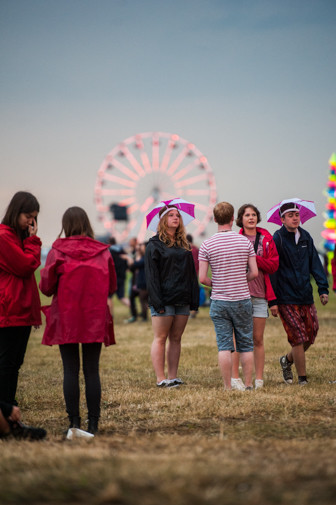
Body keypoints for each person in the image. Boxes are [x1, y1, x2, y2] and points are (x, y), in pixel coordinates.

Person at [39, 207, 117, 434]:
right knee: (92, 370)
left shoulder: (57, 251)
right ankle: (93, 423)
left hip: (66, 316)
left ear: (66, 224)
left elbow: (46, 287)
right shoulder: (103, 252)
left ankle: (74, 422)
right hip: (93, 316)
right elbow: (112, 286)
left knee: (70, 370)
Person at [199, 202, 258, 391]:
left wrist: (216, 283)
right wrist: (241, 279)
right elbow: (255, 273)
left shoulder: (207, 244)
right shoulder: (244, 242)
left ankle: (227, 386)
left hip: (219, 300)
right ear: (234, 218)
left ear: (215, 219)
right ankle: (248, 384)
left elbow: (202, 278)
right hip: (242, 299)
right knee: (246, 344)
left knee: (224, 345)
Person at [269, 201, 329, 386]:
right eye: (291, 215)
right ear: (282, 219)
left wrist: (323, 288)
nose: (295, 218)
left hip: (305, 295)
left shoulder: (306, 237)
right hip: (286, 297)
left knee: (311, 334)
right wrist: (273, 301)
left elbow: (315, 264)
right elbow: (273, 270)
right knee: (298, 337)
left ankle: (286, 360)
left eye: (297, 214)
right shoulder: (277, 239)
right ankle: (302, 379)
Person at [145, 205, 199, 387]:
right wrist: (156, 301)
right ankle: (160, 379)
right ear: (162, 220)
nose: (176, 218)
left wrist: (194, 299)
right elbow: (151, 276)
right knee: (160, 338)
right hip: (163, 298)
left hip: (182, 297)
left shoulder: (184, 244)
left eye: (178, 215)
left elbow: (192, 274)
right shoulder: (154, 244)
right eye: (171, 215)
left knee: (176, 338)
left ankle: (172, 376)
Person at [231, 204, 279, 390]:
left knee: (258, 339)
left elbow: (273, 265)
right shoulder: (236, 239)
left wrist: (254, 258)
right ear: (240, 219)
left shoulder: (267, 238)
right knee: (238, 339)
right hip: (240, 293)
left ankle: (259, 379)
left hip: (260, 294)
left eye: (253, 215)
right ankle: (236, 377)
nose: (250, 218)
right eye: (246, 215)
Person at [0, 191, 41, 405]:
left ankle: (9, 407)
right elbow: (25, 267)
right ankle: (5, 410)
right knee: (7, 363)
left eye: (34, 218)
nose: (30, 222)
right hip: (10, 309)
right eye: (28, 217)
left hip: (20, 310)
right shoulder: (3, 237)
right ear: (16, 212)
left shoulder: (16, 237)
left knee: (15, 363)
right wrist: (33, 241)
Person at [107, 237, 130, 316]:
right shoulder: (121, 250)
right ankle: (133, 309)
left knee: (109, 297)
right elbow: (126, 261)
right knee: (121, 297)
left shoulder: (110, 251)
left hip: (113, 277)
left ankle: (111, 315)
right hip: (122, 276)